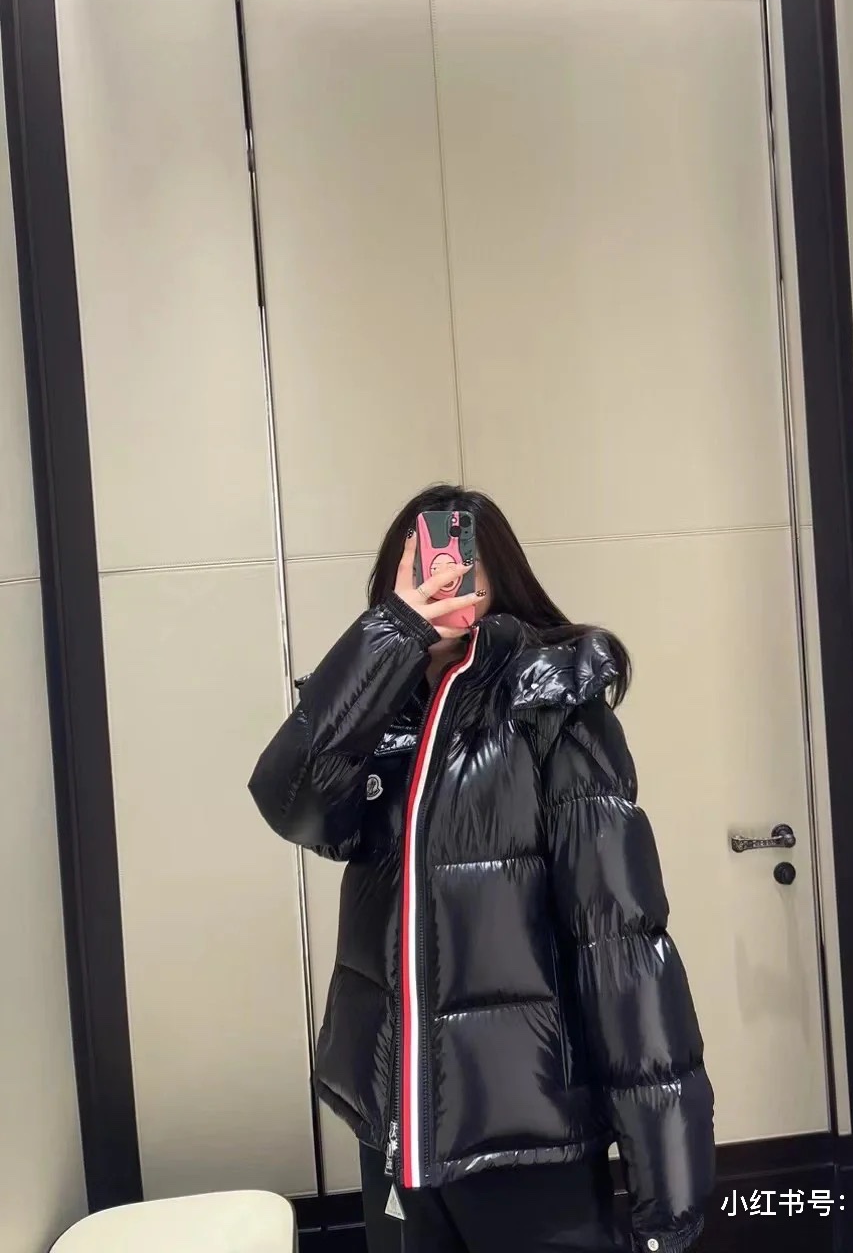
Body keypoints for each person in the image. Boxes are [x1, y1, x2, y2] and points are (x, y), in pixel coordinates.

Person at [250, 485, 714, 1253]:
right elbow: (288, 800)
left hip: (528, 1134)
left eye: (456, 563)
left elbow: (621, 941)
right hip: (400, 1128)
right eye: (417, 567)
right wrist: (390, 638)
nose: (439, 578)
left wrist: (668, 1182)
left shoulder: (554, 707)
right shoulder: (378, 722)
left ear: (496, 576)